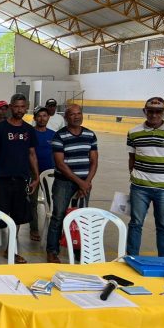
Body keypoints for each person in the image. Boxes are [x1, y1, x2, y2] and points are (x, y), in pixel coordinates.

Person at [126, 97, 164, 257]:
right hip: (139, 188)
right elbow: (132, 158)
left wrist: (160, 167)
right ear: (144, 111)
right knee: (136, 223)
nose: (154, 115)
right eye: (150, 111)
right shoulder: (133, 132)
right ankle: (131, 257)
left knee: (163, 225)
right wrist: (135, 174)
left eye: (158, 111)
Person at [0, 93, 39, 264]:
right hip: (2, 179)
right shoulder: (1, 128)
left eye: (22, 107)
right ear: (10, 107)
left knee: (17, 217)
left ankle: (11, 249)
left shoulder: (29, 130)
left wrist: (36, 176)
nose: (19, 110)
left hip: (21, 179)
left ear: (26, 107)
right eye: (16, 106)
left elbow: (32, 154)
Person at [45, 104, 98, 263]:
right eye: (72, 114)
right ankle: (52, 251)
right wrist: (80, 182)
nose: (76, 117)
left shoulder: (90, 134)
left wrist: (87, 182)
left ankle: (78, 250)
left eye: (79, 113)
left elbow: (94, 161)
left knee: (81, 217)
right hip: (64, 182)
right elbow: (60, 164)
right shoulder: (59, 136)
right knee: (58, 215)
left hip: (84, 183)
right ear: (66, 117)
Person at [29, 107, 55, 242]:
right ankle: (34, 228)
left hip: (50, 175)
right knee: (32, 202)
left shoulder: (53, 134)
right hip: (32, 174)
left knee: (52, 202)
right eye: (39, 116)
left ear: (48, 117)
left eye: (44, 115)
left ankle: (54, 230)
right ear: (34, 118)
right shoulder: (30, 133)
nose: (42, 118)